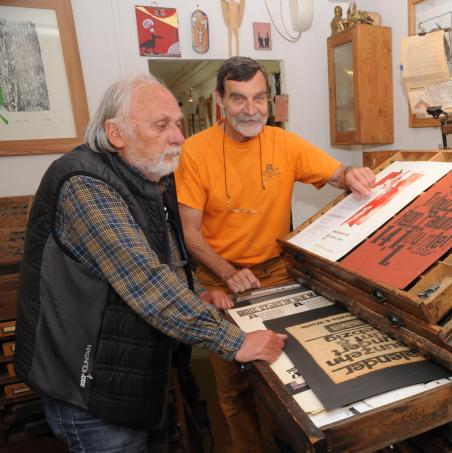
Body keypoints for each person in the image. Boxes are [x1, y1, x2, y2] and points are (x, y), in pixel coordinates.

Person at [14, 73, 286, 452]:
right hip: (89, 389)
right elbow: (142, 278)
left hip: (131, 376)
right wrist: (235, 342)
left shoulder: (149, 175)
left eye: (177, 124)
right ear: (116, 133)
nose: (178, 137)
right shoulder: (84, 184)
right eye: (162, 126)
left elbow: (168, 256)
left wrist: (195, 293)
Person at [174, 56, 374, 452]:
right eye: (239, 99)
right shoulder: (194, 153)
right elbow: (189, 234)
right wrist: (227, 272)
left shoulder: (284, 143)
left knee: (288, 377)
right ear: (220, 101)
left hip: (278, 275)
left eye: (259, 98)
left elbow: (337, 173)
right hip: (221, 283)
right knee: (235, 387)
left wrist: (352, 173)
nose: (251, 110)